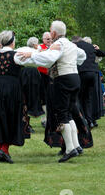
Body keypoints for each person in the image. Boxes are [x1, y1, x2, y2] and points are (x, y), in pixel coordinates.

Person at [17, 21, 88, 163]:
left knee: (61, 113)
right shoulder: (71, 44)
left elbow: (48, 59)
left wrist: (30, 55)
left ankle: (70, 149)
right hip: (75, 78)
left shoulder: (59, 44)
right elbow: (82, 56)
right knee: (69, 112)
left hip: (63, 79)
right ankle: (76, 146)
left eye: (50, 31)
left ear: (54, 33)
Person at [0, 31, 36, 164]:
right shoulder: (16, 56)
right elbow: (34, 62)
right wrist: (33, 53)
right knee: (11, 117)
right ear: (12, 42)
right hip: (11, 88)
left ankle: (1, 149)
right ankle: (4, 150)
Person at [73, 36, 105, 128]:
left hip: (82, 73)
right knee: (88, 98)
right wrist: (97, 48)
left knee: (79, 97)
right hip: (93, 74)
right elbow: (103, 53)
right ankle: (90, 120)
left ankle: (82, 120)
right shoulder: (91, 46)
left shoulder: (76, 45)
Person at [20, 37, 45, 125]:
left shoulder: (23, 49)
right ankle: (27, 120)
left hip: (25, 73)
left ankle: (26, 120)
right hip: (32, 73)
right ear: (34, 44)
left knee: (26, 96)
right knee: (32, 95)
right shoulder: (37, 51)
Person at [38, 32, 52, 127]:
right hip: (42, 75)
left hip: (52, 75)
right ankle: (44, 119)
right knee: (43, 97)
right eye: (47, 39)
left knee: (51, 97)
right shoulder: (40, 47)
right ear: (43, 39)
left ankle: (51, 118)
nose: (49, 41)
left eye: (50, 39)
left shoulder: (54, 46)